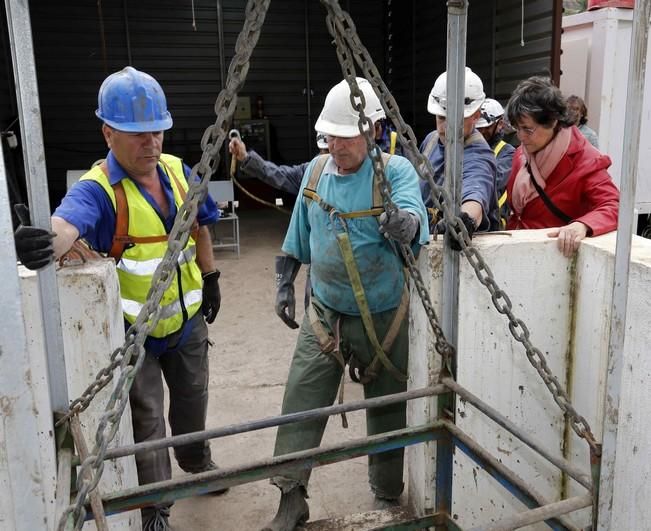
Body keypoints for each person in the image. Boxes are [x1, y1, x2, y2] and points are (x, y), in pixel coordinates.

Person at [13, 66, 225, 531]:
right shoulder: (98, 189)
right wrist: (39, 242)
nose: (151, 144)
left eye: (157, 132)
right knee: (147, 419)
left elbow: (202, 223)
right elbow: (66, 226)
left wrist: (210, 277)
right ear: (109, 134)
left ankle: (196, 461)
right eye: (137, 135)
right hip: (136, 336)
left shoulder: (177, 170)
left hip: (188, 321)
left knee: (193, 401)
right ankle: (157, 506)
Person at [262, 77, 428, 531]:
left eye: (345, 136)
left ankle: (386, 493)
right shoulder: (316, 174)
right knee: (301, 398)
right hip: (325, 315)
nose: (335, 145)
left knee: (388, 407)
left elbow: (414, 213)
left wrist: (406, 223)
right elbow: (298, 235)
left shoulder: (393, 173)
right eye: (329, 135)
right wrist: (284, 280)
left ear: (373, 130)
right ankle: (290, 497)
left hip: (383, 317)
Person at [504, 76, 619, 257]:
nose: (520, 136)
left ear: (553, 121)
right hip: (516, 251)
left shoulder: (585, 159)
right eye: (517, 128)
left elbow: (614, 204)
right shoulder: (522, 153)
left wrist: (582, 225)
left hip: (554, 258)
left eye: (527, 129)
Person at [420, 67, 499, 248]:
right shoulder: (431, 140)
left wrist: (465, 221)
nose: (444, 128)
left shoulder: (479, 155)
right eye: (441, 117)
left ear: (476, 116)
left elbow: (476, 192)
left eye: (455, 119)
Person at [476, 98, 516, 226]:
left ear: (500, 124)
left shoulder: (507, 153)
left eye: (486, 127)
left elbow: (492, 182)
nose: (481, 132)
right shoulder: (469, 149)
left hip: (493, 223)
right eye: (479, 128)